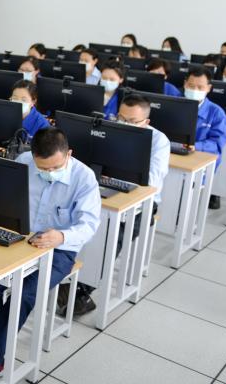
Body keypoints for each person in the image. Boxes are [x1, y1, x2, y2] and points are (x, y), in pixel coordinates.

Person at [0, 128, 100, 384]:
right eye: (43, 168)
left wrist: (61, 236)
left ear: (69, 154)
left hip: (60, 248)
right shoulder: (24, 161)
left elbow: (89, 225)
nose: (49, 173)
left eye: (55, 167)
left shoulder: (84, 178)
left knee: (24, 293)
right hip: (20, 236)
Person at [70, 93, 171, 315]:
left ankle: (83, 289)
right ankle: (65, 273)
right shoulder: (110, 130)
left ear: (146, 121)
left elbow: (152, 181)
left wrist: (117, 175)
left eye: (132, 121)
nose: (124, 124)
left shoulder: (158, 140)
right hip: (106, 190)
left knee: (114, 233)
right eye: (121, 118)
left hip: (143, 204)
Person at [183, 66, 226, 209]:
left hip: (199, 161)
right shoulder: (174, 105)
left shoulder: (216, 113)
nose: (195, 90)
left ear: (208, 88)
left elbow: (216, 144)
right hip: (173, 155)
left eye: (200, 87)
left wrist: (196, 146)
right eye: (191, 86)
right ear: (185, 84)